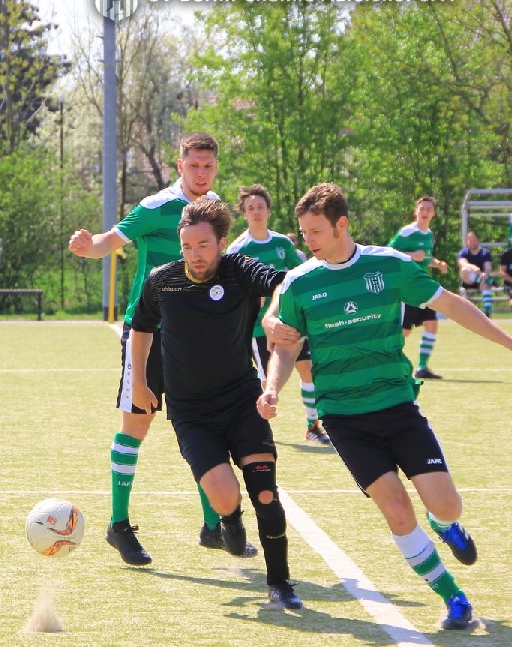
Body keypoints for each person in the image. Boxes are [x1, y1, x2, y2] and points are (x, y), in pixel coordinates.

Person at [258, 182, 512, 630]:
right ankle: (454, 598)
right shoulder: (300, 282)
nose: (307, 240)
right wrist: (273, 387)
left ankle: (443, 524)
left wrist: (510, 342)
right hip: (344, 418)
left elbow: (451, 304)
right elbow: (287, 346)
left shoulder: (389, 265)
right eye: (304, 231)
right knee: (396, 508)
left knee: (446, 505)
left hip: (398, 407)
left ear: (341, 225)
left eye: (315, 231)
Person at [68, 132, 257, 564]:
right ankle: (118, 526)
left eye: (209, 166)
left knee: (206, 426)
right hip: (148, 334)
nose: (202, 173)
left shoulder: (215, 210)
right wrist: (87, 247)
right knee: (137, 425)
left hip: (197, 338)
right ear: (180, 166)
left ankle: (212, 527)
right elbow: (110, 240)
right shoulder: (157, 206)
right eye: (194, 165)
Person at [130, 196, 302, 609]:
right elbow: (141, 327)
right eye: (187, 246)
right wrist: (138, 382)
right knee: (225, 496)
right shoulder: (162, 281)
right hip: (191, 413)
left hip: (242, 401)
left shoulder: (239, 269)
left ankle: (280, 583)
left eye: (203, 245)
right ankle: (229, 521)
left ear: (222, 242)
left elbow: (283, 283)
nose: (195, 254)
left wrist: (272, 315)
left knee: (265, 494)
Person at [227, 184, 330, 444]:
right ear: (244, 213)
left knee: (308, 370)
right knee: (268, 383)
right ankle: (257, 431)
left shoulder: (282, 243)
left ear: (268, 211)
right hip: (259, 327)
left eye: (260, 207)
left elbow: (301, 274)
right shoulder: (238, 250)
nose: (256, 212)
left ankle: (312, 427)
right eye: (251, 208)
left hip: (292, 322)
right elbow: (229, 288)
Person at [388, 195, 448, 380]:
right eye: (422, 208)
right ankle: (386, 361)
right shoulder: (407, 232)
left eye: (429, 209)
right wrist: (412, 255)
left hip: (424, 286)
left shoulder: (428, 234)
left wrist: (437, 263)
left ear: (434, 213)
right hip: (408, 288)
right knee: (405, 331)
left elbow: (425, 258)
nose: (425, 212)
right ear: (416, 211)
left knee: (432, 324)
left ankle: (422, 367)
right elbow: (389, 252)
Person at [457, 231, 494, 317]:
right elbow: (463, 263)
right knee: (464, 270)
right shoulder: (464, 252)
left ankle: (487, 312)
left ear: (478, 240)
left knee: (485, 284)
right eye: (470, 241)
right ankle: (482, 279)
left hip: (482, 280)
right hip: (468, 280)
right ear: (467, 241)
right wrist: (474, 268)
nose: (472, 243)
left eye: (474, 240)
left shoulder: (485, 253)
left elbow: (488, 267)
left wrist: (485, 274)